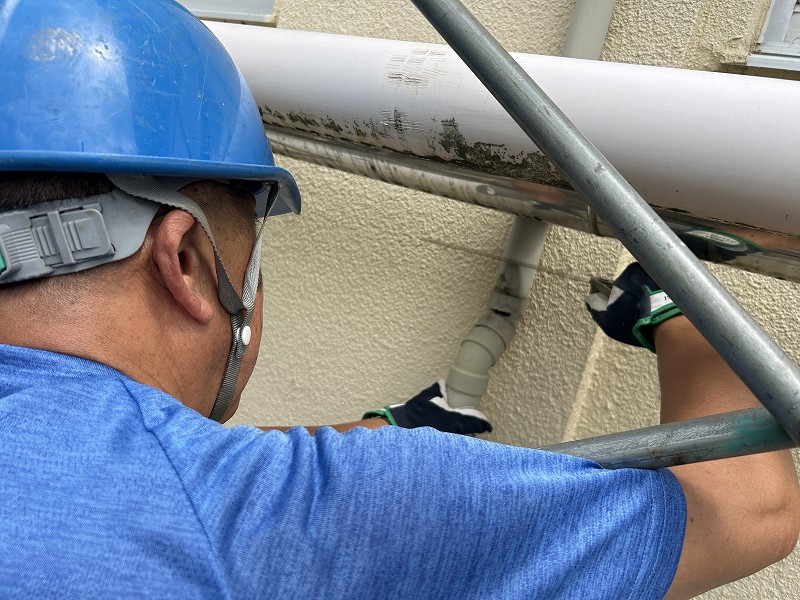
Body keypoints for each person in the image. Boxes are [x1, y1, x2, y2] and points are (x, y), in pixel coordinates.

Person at [0, 1, 797, 598]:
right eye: (251, 253)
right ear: (186, 259)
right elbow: (748, 511)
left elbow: (107, 463)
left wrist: (369, 435)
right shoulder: (270, 517)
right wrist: (680, 313)